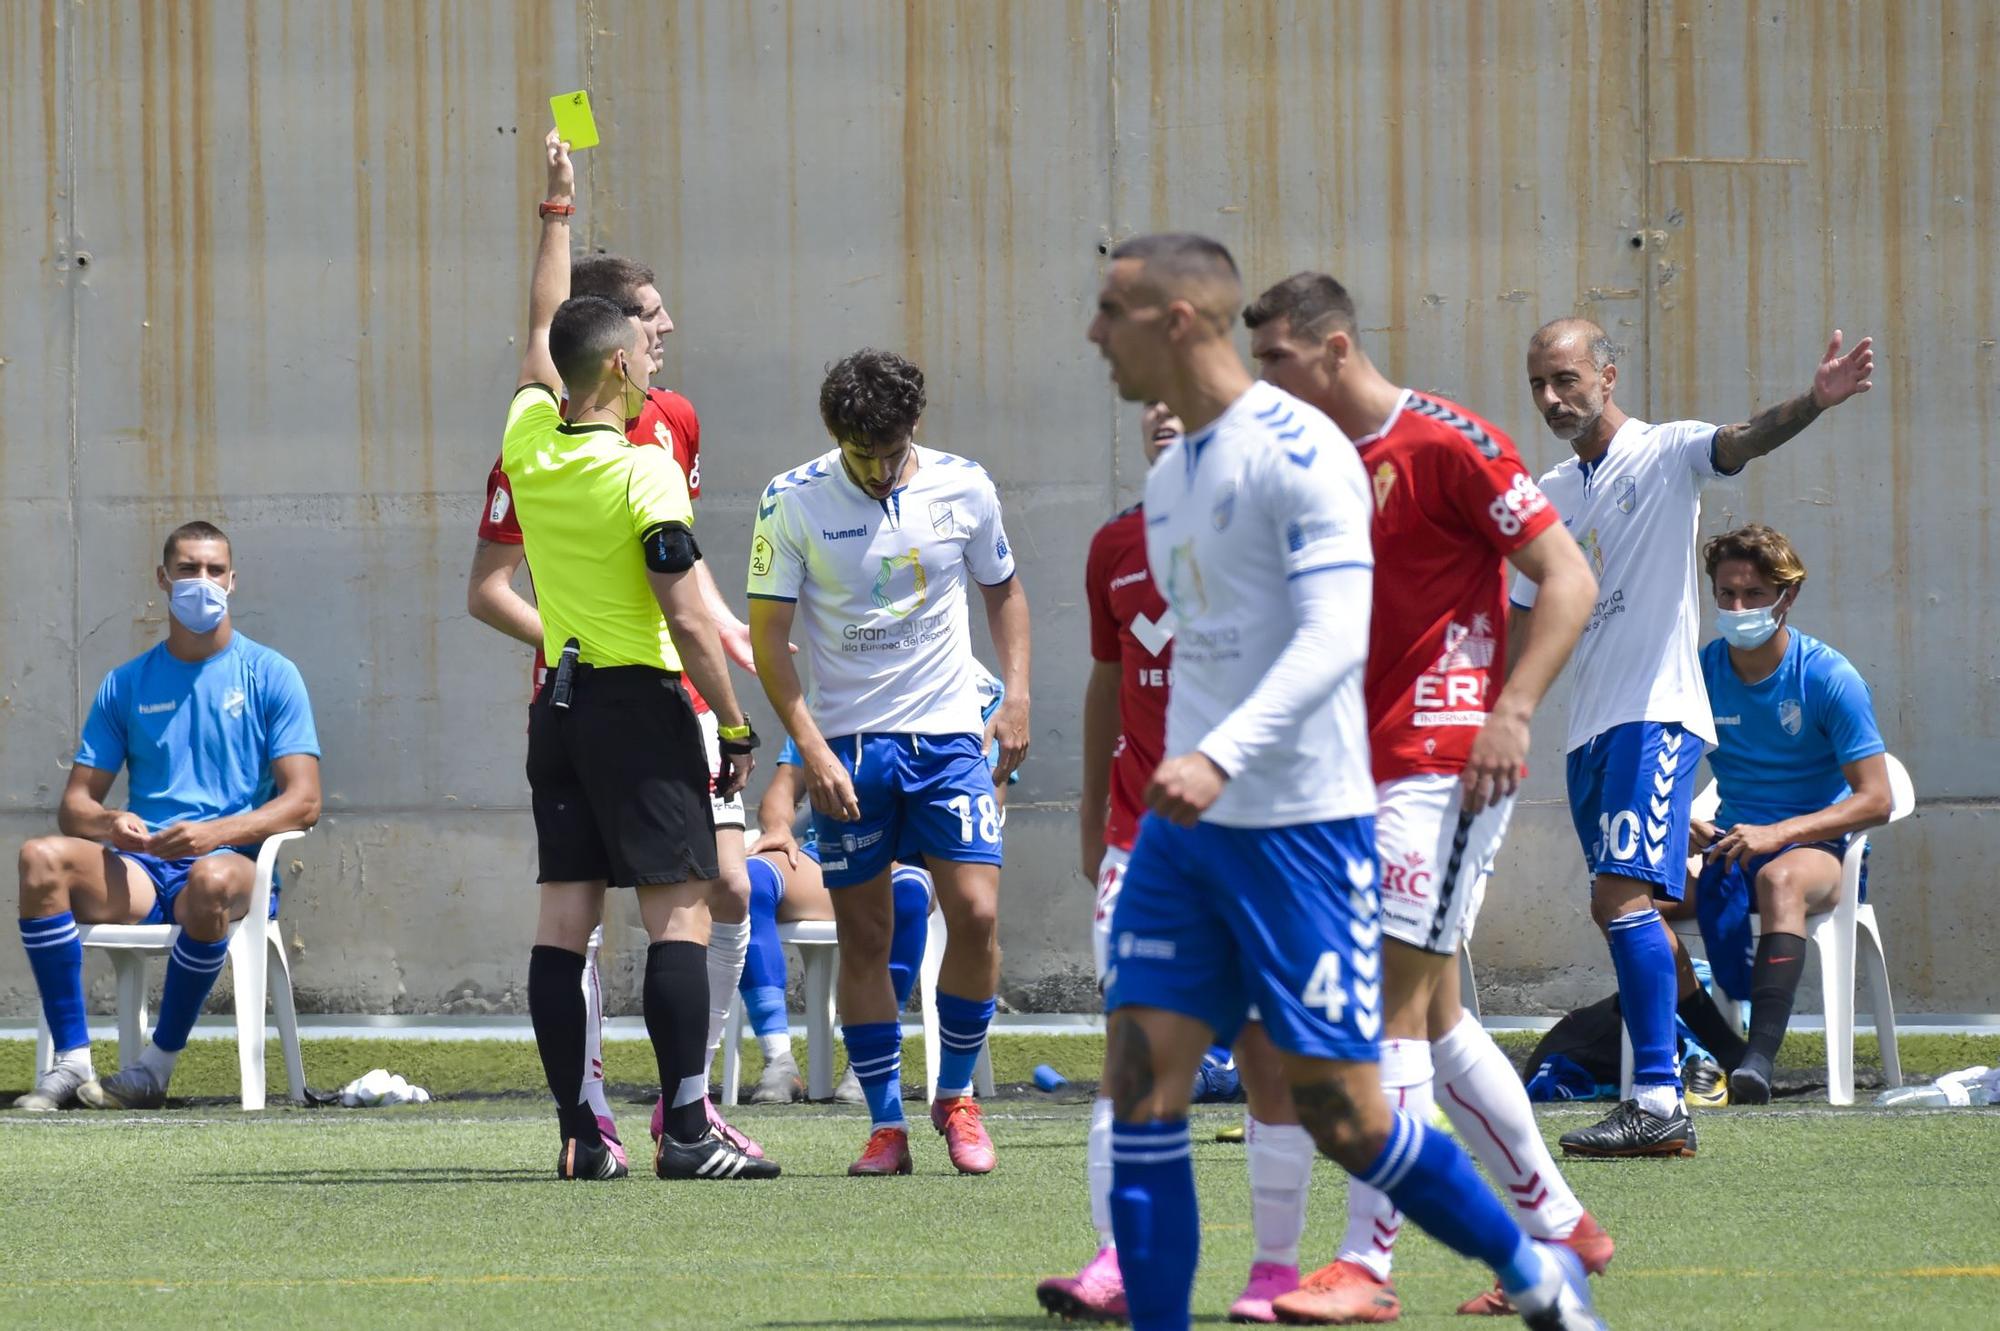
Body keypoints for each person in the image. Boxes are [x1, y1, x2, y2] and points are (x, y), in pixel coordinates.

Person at [1085, 232, 1601, 1331]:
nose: (1091, 335)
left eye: (1109, 312)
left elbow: (1330, 631)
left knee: (1346, 1107)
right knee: (1139, 1091)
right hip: (1190, 838)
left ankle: (1529, 1264)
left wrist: (1221, 753)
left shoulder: (1304, 453)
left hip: (1305, 829)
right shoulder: (1170, 480)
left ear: (1177, 322)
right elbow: (1207, 651)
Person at [1241, 273, 1610, 1322]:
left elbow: (1566, 577)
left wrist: (1512, 707)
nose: (1262, 382)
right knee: (1436, 1020)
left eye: (1274, 359)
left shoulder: (1447, 440)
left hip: (1442, 764)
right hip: (1348, 773)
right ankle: (1558, 1225)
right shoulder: (1302, 461)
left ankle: (1368, 1261)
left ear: (1333, 348)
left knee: (1384, 1013)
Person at [1516, 317, 1874, 1158]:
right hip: (1589, 731)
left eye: (1565, 378)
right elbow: (1518, 617)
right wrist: (1490, 712)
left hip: (1652, 715)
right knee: (1622, 908)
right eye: (1537, 383)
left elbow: (1747, 437)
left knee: (1622, 899)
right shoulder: (1550, 493)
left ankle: (1658, 1097)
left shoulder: (1668, 451)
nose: (1551, 397)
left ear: (1607, 374)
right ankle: (1689, 1072)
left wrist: (1815, 403)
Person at [503, 129, 770, 1182]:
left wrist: (556, 212)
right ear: (620, 365)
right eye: (641, 342)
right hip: (637, 705)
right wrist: (735, 723)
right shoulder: (645, 474)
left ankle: (580, 1134)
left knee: (564, 919)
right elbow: (693, 619)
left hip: (556, 710)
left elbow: (538, 329)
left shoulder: (529, 438)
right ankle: (690, 1133)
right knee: (681, 911)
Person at [747, 348, 1031, 1177]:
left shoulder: (965, 485)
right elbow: (768, 640)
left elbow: (1004, 592)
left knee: (976, 914)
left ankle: (957, 1098)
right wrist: (809, 749)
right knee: (866, 935)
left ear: (918, 426)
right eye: (859, 453)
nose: (876, 469)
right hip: (850, 749)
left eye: (891, 450)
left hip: (948, 737)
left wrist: (1013, 695)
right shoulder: (790, 499)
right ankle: (885, 1123)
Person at [14, 522, 322, 1111]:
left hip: (231, 872)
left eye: (213, 570)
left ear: (233, 581)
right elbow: (75, 805)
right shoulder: (126, 682)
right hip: (143, 870)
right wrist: (111, 825)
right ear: (163, 579)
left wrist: (214, 834)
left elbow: (303, 800)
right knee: (39, 859)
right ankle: (71, 1062)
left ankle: (155, 1067)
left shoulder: (271, 674)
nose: (201, 582)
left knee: (209, 879)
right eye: (187, 570)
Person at [1672, 523, 1893, 1105]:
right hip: (1732, 849)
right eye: (1725, 595)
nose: (1737, 607)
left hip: (1818, 854)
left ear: (1786, 597)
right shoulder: (1701, 672)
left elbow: (1877, 798)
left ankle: (1761, 1060)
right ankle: (1728, 1054)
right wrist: (1677, 819)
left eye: (1753, 595)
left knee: (1780, 876)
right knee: (1624, 897)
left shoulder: (1827, 676)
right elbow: (1666, 766)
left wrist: (1781, 833)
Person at [741, 741, 933, 1104]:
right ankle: (778, 1059)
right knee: (749, 880)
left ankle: (870, 1062)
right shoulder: (827, 705)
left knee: (909, 891)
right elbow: (782, 791)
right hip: (824, 857)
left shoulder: (964, 702)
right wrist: (779, 827)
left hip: (902, 860)